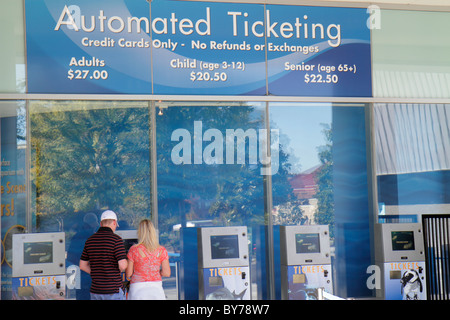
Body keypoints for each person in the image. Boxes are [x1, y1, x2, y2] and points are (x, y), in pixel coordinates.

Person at [79, 210, 128, 300]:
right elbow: (123, 265)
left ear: (101, 224)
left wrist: (97, 273)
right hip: (113, 290)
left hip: (96, 290)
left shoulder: (90, 240)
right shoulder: (116, 240)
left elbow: (82, 266)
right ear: (114, 222)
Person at [126, 219, 170, 300]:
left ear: (140, 232)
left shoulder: (133, 249)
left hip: (137, 290)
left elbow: (128, 273)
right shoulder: (161, 250)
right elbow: (167, 273)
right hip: (156, 290)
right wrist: (155, 271)